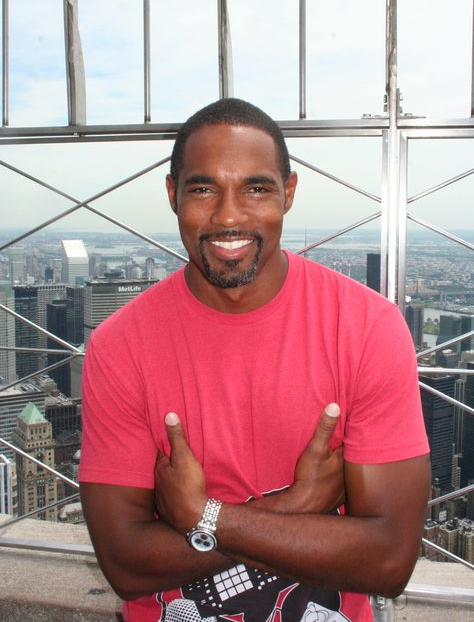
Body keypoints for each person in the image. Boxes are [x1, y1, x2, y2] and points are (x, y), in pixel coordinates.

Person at [79, 98, 430, 622]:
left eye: (256, 187)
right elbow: (125, 565)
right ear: (173, 196)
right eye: (203, 189)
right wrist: (293, 507)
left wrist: (202, 516)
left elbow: (389, 560)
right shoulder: (120, 347)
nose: (228, 216)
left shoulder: (367, 329)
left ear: (287, 194)